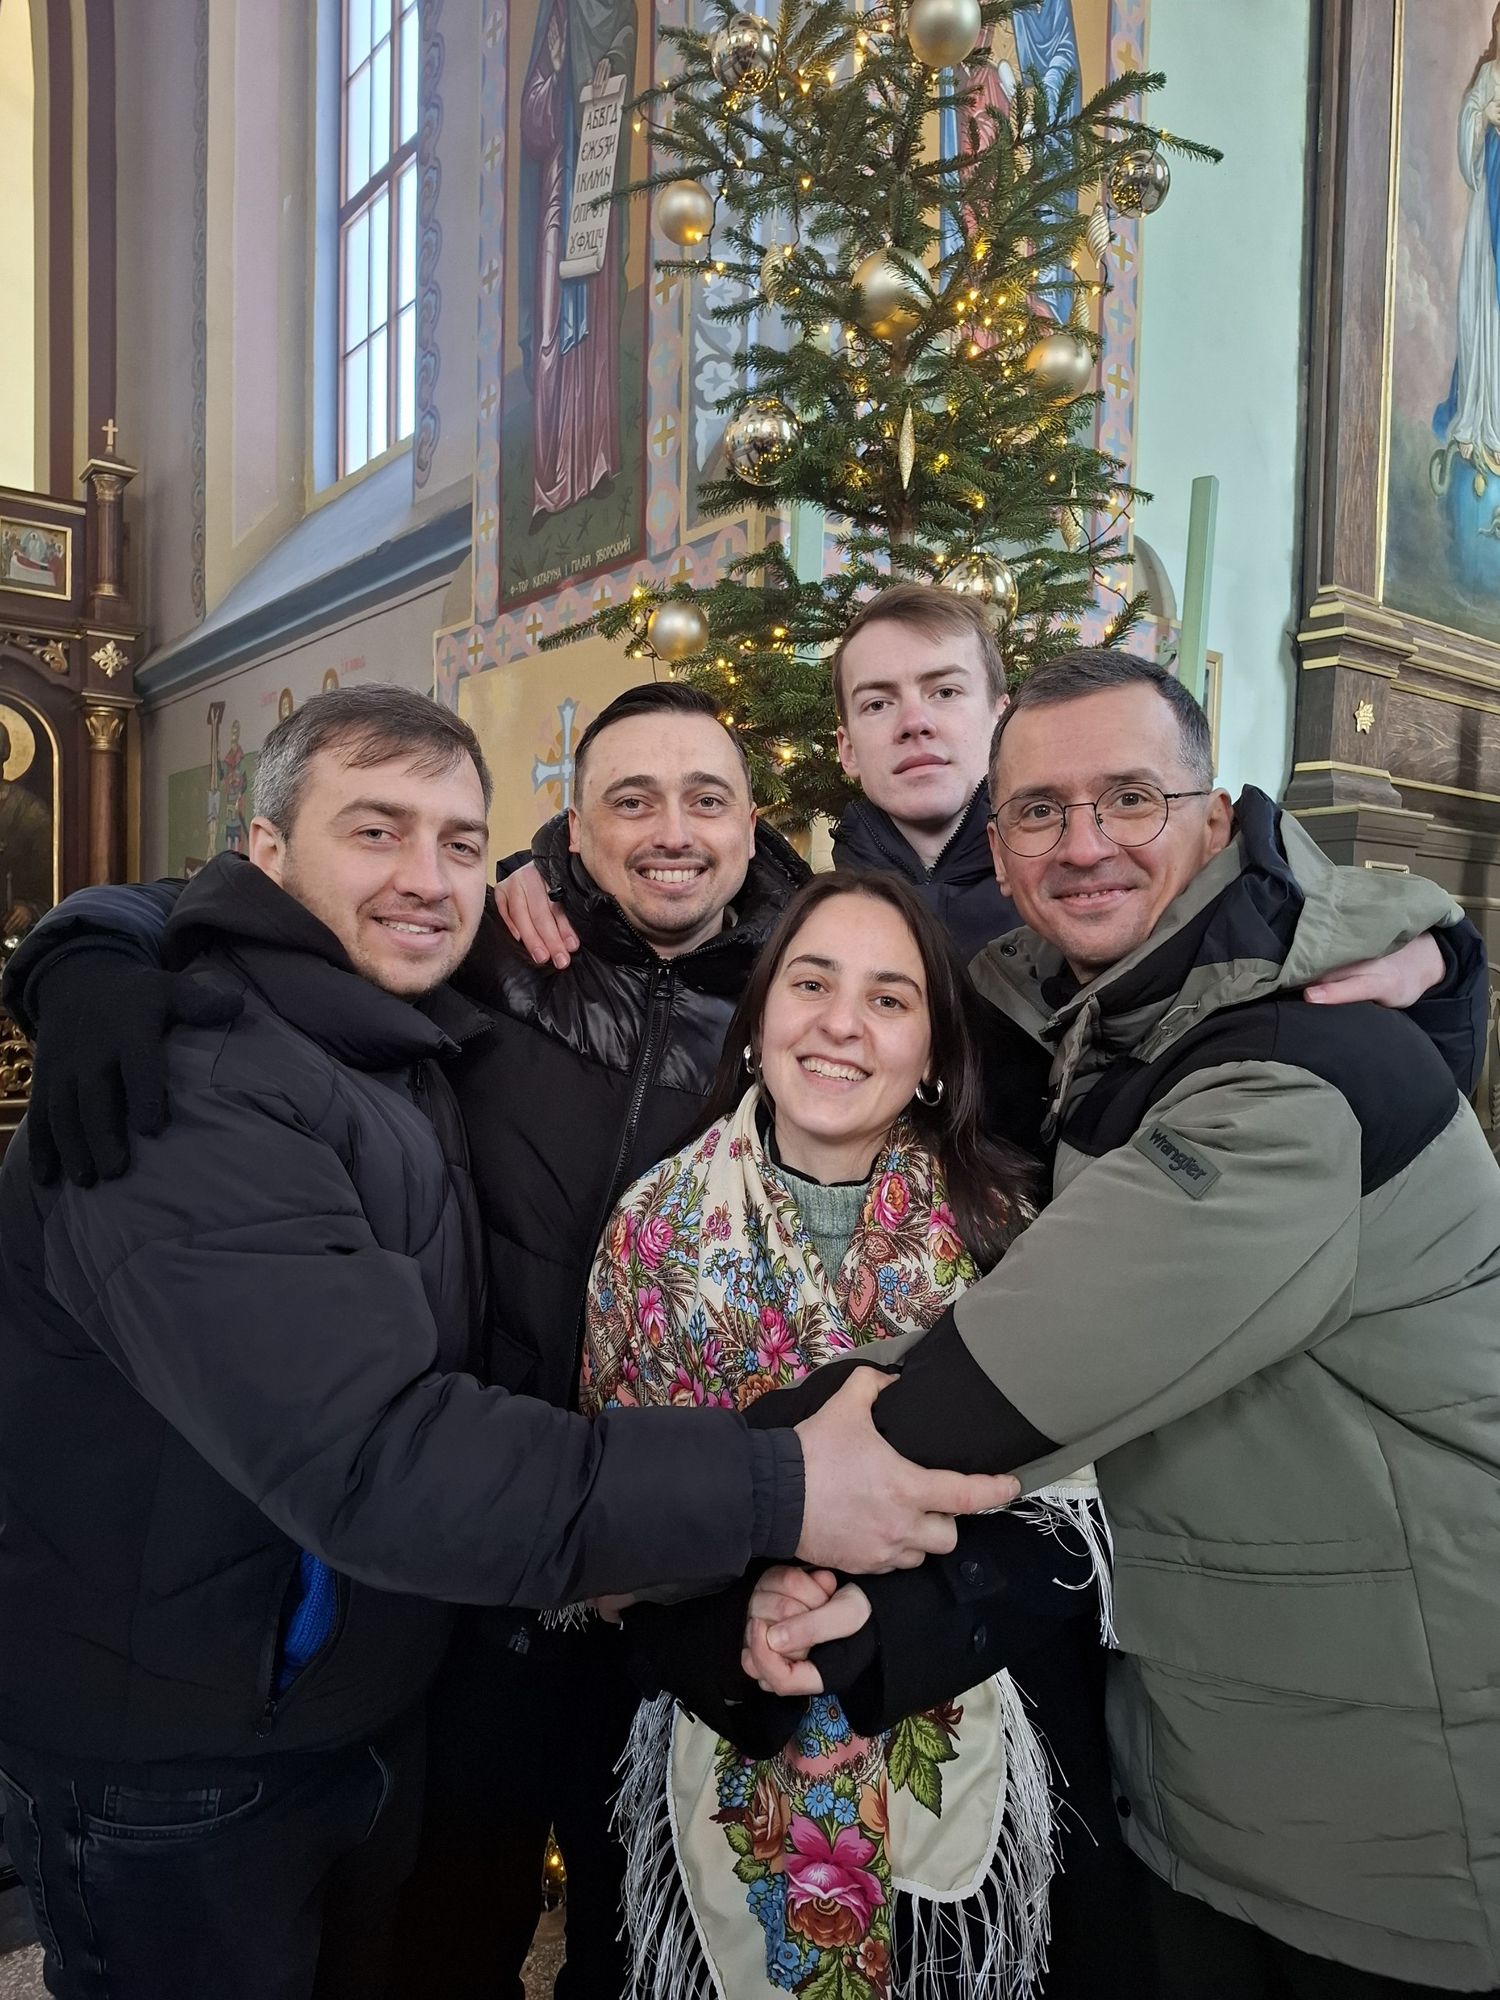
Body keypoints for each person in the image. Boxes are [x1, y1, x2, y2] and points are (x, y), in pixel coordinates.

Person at [0, 686, 1018, 2000]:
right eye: (376, 830)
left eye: (458, 844)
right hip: (273, 1675)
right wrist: (86, 947)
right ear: (573, 835)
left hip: (490, 1615)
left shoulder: (432, 1007)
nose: (423, 877)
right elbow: (373, 1452)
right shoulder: (426, 987)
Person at [743, 652, 1500, 1998]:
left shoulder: (1289, 1068)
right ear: (998, 848)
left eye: (1130, 798)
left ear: (1215, 817)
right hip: (1231, 1741)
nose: (1084, 842)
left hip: (1391, 1793)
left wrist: (710, 1489)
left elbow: (999, 1383)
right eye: (1040, 811)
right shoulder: (1110, 1023)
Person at [580, 872, 1136, 2000]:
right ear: (758, 1019)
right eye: (811, 983)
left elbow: (1076, 1513)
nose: (841, 1022)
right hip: (724, 1719)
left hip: (972, 1721)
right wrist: (742, 1623)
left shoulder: (1009, 1230)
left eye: (888, 998)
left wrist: (892, 1624)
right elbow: (603, 1520)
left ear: (932, 1053)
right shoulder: (648, 1229)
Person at [496, 585, 1020, 969]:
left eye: (945, 692)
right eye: (878, 703)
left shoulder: (1055, 897)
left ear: (1001, 721)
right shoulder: (804, 924)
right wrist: (549, 875)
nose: (915, 723)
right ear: (847, 750)